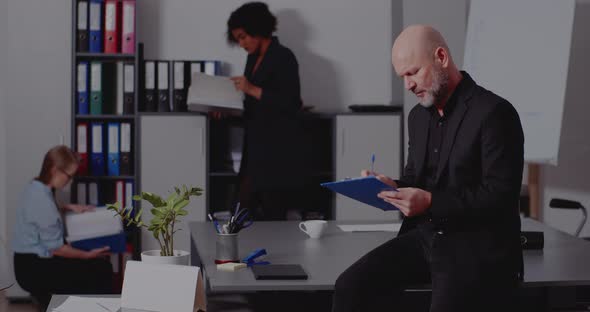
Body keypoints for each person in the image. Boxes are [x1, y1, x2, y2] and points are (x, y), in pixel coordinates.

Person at [332, 25, 524, 312]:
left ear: (441, 57)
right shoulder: (418, 117)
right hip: (427, 238)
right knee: (349, 287)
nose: (408, 84)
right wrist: (391, 187)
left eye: (413, 72)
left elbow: (500, 196)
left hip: (477, 246)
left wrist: (430, 202)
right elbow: (415, 180)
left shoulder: (495, 112)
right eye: (403, 77)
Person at [226, 2, 307, 221]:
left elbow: (292, 103)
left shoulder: (284, 56)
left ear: (258, 30)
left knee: (272, 211)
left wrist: (250, 88)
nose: (241, 43)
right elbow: (252, 103)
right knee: (241, 209)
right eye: (238, 38)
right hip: (254, 145)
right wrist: (224, 108)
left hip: (276, 150)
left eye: (243, 37)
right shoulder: (252, 59)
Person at [12, 145, 113, 310]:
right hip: (34, 268)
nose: (70, 181)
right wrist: (87, 255)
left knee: (96, 266)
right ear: (54, 169)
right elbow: (57, 249)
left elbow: (39, 215)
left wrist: (68, 207)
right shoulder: (43, 200)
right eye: (69, 176)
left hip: (26, 261)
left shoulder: (36, 186)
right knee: (101, 269)